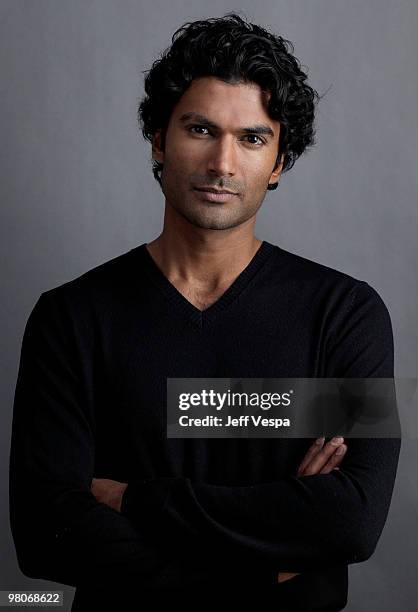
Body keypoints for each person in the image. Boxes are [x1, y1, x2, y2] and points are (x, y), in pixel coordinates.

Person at [9, 12, 400, 611]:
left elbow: (349, 521)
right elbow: (47, 534)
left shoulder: (343, 315)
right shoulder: (74, 319)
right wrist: (264, 562)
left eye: (252, 138)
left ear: (279, 161)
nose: (223, 163)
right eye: (199, 129)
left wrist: (133, 501)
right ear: (159, 141)